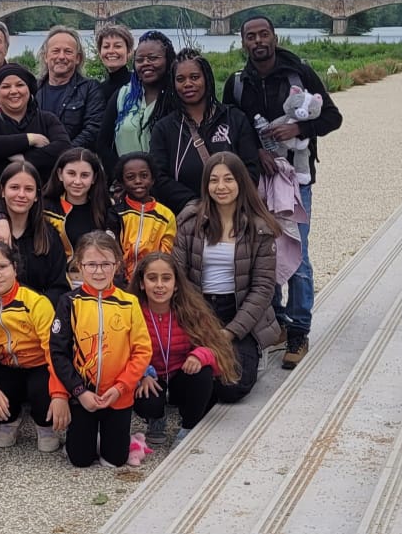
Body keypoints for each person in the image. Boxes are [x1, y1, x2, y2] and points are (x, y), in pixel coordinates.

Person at [223, 16, 343, 370]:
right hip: (256, 180)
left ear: (274, 37)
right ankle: (276, 322)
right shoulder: (236, 83)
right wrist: (255, 153)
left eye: (264, 34)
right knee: (264, 250)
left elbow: (332, 118)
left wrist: (299, 128)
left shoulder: (299, 74)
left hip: (296, 180)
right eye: (251, 36)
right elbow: (231, 128)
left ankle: (299, 329)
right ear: (243, 42)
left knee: (297, 252)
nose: (258, 41)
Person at [172, 152, 281, 403]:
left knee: (232, 387)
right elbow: (179, 277)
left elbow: (263, 288)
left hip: (238, 311)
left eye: (228, 179)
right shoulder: (190, 222)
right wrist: (199, 322)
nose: (221, 187)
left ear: (241, 182)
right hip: (199, 309)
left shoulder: (259, 228)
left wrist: (230, 332)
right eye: (214, 180)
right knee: (184, 381)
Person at [49, 231, 152, 468]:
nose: (98, 271)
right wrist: (78, 391)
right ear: (79, 265)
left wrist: (121, 387)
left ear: (117, 265)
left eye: (105, 264)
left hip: (117, 396)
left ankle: (122, 438)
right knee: (80, 460)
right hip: (82, 396)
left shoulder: (129, 303)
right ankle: (87, 437)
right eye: (91, 264)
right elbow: (58, 352)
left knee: (114, 461)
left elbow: (142, 351)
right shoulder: (69, 302)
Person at [130, 253, 240, 444]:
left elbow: (217, 349)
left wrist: (199, 356)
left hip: (181, 375)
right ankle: (155, 418)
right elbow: (123, 352)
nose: (159, 285)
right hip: (151, 378)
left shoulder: (190, 310)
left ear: (176, 284)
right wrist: (142, 375)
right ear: (141, 283)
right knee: (146, 399)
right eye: (152, 278)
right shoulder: (131, 312)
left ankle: (189, 426)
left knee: (203, 373)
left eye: (166, 278)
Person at [0, 240, 61, 452]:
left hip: (39, 365)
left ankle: (43, 423)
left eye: (2, 267)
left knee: (42, 390)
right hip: (6, 366)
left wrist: (59, 394)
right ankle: (11, 418)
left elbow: (54, 350)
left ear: (14, 268)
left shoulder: (36, 302)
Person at [149, 49, 261, 214]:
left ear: (207, 78)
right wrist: (196, 205)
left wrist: (226, 202)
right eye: (180, 79)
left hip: (233, 215)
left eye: (195, 77)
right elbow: (159, 177)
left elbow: (251, 169)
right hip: (186, 217)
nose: (188, 84)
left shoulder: (234, 118)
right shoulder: (164, 128)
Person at [0, 63, 71, 202]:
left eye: (19, 85)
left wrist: (24, 159)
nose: (13, 91)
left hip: (45, 204)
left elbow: (63, 147)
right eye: (6, 86)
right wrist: (29, 139)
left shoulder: (47, 119)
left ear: (29, 89)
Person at [97, 30, 178, 173]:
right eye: (140, 60)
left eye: (153, 58)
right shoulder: (123, 95)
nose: (146, 63)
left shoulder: (176, 98)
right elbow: (103, 143)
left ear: (168, 59)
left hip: (165, 180)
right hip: (125, 179)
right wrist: (121, 175)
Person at [0, 162, 69, 299]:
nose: (21, 194)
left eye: (29, 189)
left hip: (38, 309)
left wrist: (37, 307)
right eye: (14, 187)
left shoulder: (49, 235)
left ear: (36, 195)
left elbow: (59, 287)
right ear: (2, 191)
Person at [35, 26, 104, 151]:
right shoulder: (33, 89)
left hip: (73, 160)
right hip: (34, 161)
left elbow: (93, 130)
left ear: (77, 58)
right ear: (45, 56)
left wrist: (62, 154)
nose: (61, 56)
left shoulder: (90, 89)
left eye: (68, 51)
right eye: (56, 51)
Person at [112, 152, 176, 282]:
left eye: (144, 176)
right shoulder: (116, 212)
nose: (138, 181)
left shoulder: (165, 215)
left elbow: (166, 253)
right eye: (130, 177)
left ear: (152, 179)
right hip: (120, 281)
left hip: (152, 280)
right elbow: (113, 249)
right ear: (122, 182)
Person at [94, 24, 134, 105]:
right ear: (99, 53)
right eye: (106, 46)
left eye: (117, 46)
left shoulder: (138, 84)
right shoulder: (99, 90)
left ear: (129, 51)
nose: (111, 51)